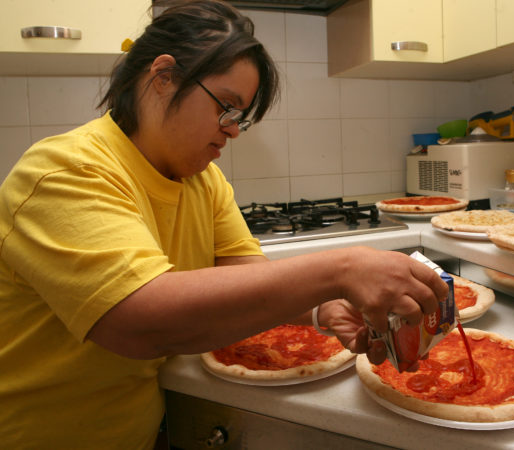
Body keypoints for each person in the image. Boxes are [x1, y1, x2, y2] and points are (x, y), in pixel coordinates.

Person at [0, 1, 448, 448]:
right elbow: (137, 321)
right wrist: (340, 269)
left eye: (240, 118)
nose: (232, 130)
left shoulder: (203, 179)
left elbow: (243, 277)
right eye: (226, 108)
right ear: (163, 77)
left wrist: (320, 310)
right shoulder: (65, 171)